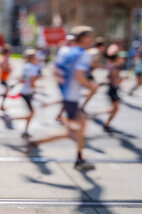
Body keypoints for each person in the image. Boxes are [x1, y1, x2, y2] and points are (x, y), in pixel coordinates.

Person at [29, 26, 97, 171]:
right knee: (72, 131)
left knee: (79, 127)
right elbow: (78, 76)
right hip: (71, 96)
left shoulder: (65, 52)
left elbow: (56, 71)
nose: (91, 40)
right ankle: (34, 143)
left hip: (68, 95)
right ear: (84, 38)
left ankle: (79, 158)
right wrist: (90, 86)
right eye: (90, 37)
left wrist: (64, 87)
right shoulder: (83, 54)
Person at [7, 49, 40, 138]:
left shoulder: (26, 66)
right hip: (28, 92)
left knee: (31, 113)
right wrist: (39, 87)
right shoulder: (33, 68)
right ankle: (13, 119)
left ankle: (25, 130)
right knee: (32, 113)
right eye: (35, 57)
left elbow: (22, 79)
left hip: (24, 91)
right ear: (32, 58)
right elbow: (32, 83)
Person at [80, 37, 106, 113]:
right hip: (85, 73)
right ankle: (82, 105)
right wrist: (99, 66)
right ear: (101, 46)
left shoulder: (93, 51)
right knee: (93, 89)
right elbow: (90, 63)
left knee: (94, 89)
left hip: (86, 73)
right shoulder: (95, 52)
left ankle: (82, 105)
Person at [0, 45, 12, 111]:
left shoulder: (5, 57)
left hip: (4, 77)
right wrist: (8, 69)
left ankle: (2, 105)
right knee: (6, 90)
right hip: (3, 77)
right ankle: (2, 105)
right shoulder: (5, 58)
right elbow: (2, 65)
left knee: (7, 90)